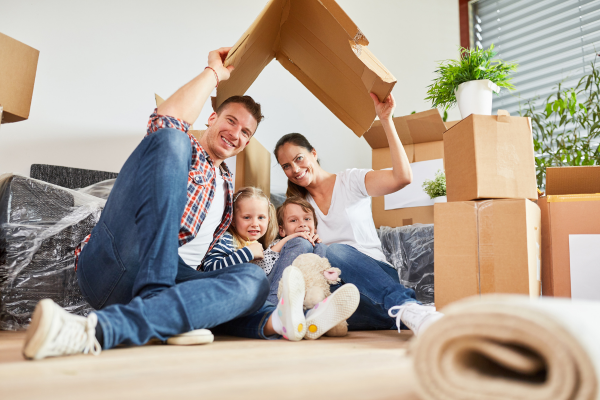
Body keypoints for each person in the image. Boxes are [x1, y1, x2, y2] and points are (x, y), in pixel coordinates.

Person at [23, 47, 303, 360]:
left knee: (254, 281)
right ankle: (159, 295)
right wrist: (214, 74)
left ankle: (113, 327)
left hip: (176, 281)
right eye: (230, 121)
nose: (235, 133)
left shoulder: (227, 190)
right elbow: (169, 122)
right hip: (118, 266)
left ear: (247, 143)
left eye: (245, 132)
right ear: (212, 118)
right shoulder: (184, 152)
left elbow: (210, 263)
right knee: (172, 138)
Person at [273, 93, 443, 336]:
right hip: (335, 285)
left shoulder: (350, 181)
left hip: (375, 276)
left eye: (299, 158)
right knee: (322, 297)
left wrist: (386, 120)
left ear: (313, 153)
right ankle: (401, 316)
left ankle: (406, 306)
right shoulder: (299, 208)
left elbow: (402, 177)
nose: (295, 169)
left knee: (335, 250)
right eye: (286, 166)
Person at [202, 187, 359, 340]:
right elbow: (209, 268)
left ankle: (312, 313)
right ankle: (279, 311)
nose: (255, 223)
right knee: (301, 244)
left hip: (262, 293)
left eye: (261, 218)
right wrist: (248, 253)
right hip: (247, 297)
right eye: (247, 217)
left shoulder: (259, 243)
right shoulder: (228, 240)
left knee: (319, 248)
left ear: (268, 220)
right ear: (234, 221)